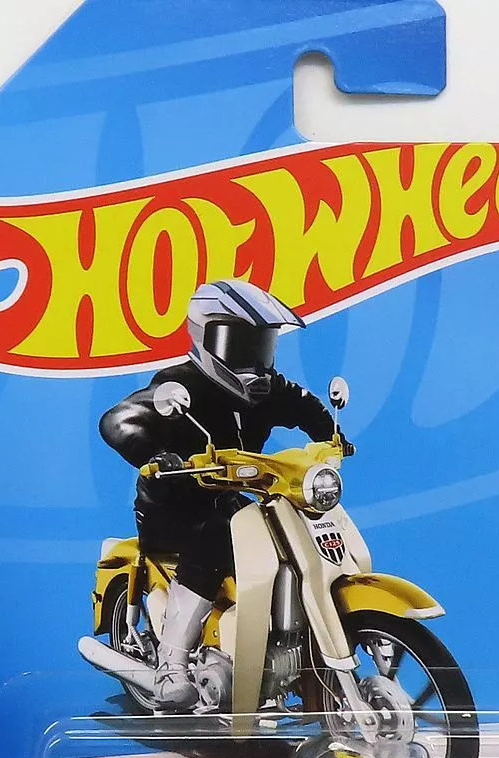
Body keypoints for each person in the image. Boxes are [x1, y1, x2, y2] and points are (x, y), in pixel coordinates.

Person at [100, 279, 353, 710]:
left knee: (284, 538)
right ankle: (172, 665)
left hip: (232, 500)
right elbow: (119, 420)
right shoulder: (178, 385)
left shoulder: (268, 389)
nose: (253, 359)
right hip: (173, 505)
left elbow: (303, 404)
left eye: (262, 345)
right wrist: (159, 457)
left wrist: (330, 434)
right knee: (217, 535)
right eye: (239, 345)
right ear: (205, 337)